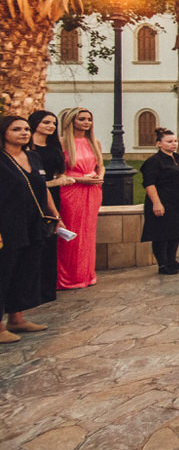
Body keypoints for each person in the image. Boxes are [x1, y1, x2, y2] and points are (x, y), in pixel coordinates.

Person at [0, 115, 60, 343]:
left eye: (26, 129)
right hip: (8, 224)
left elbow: (42, 188)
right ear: (4, 132)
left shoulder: (33, 157)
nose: (24, 133)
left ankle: (17, 317)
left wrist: (54, 214)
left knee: (25, 269)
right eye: (17, 129)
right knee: (4, 271)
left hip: (33, 222)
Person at [57, 107, 104, 289]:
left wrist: (101, 176)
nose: (86, 122)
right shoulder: (62, 143)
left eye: (89, 119)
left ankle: (87, 275)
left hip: (93, 191)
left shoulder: (94, 142)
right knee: (71, 233)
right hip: (71, 190)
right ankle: (68, 278)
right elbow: (58, 172)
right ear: (71, 121)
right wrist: (80, 179)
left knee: (88, 233)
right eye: (82, 119)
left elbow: (100, 165)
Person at [28, 110, 69, 306]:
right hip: (33, 197)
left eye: (53, 123)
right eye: (46, 122)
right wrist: (55, 183)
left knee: (50, 240)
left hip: (52, 197)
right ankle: (32, 291)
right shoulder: (28, 151)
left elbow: (56, 172)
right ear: (35, 123)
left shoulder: (53, 147)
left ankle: (47, 289)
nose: (51, 126)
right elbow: (33, 181)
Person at [141, 128, 179, 275]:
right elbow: (149, 184)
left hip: (178, 201)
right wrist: (157, 203)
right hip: (163, 200)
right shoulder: (154, 162)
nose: (174, 144)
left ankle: (172, 260)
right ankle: (162, 264)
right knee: (161, 233)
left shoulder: (177, 159)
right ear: (159, 143)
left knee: (175, 232)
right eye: (169, 142)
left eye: (175, 141)